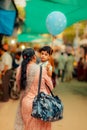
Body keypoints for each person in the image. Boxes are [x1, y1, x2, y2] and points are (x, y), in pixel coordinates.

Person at [15, 48, 53, 130]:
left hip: (25, 103)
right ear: (34, 57)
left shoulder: (19, 69)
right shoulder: (41, 69)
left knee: (27, 126)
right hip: (39, 104)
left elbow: (18, 87)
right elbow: (51, 87)